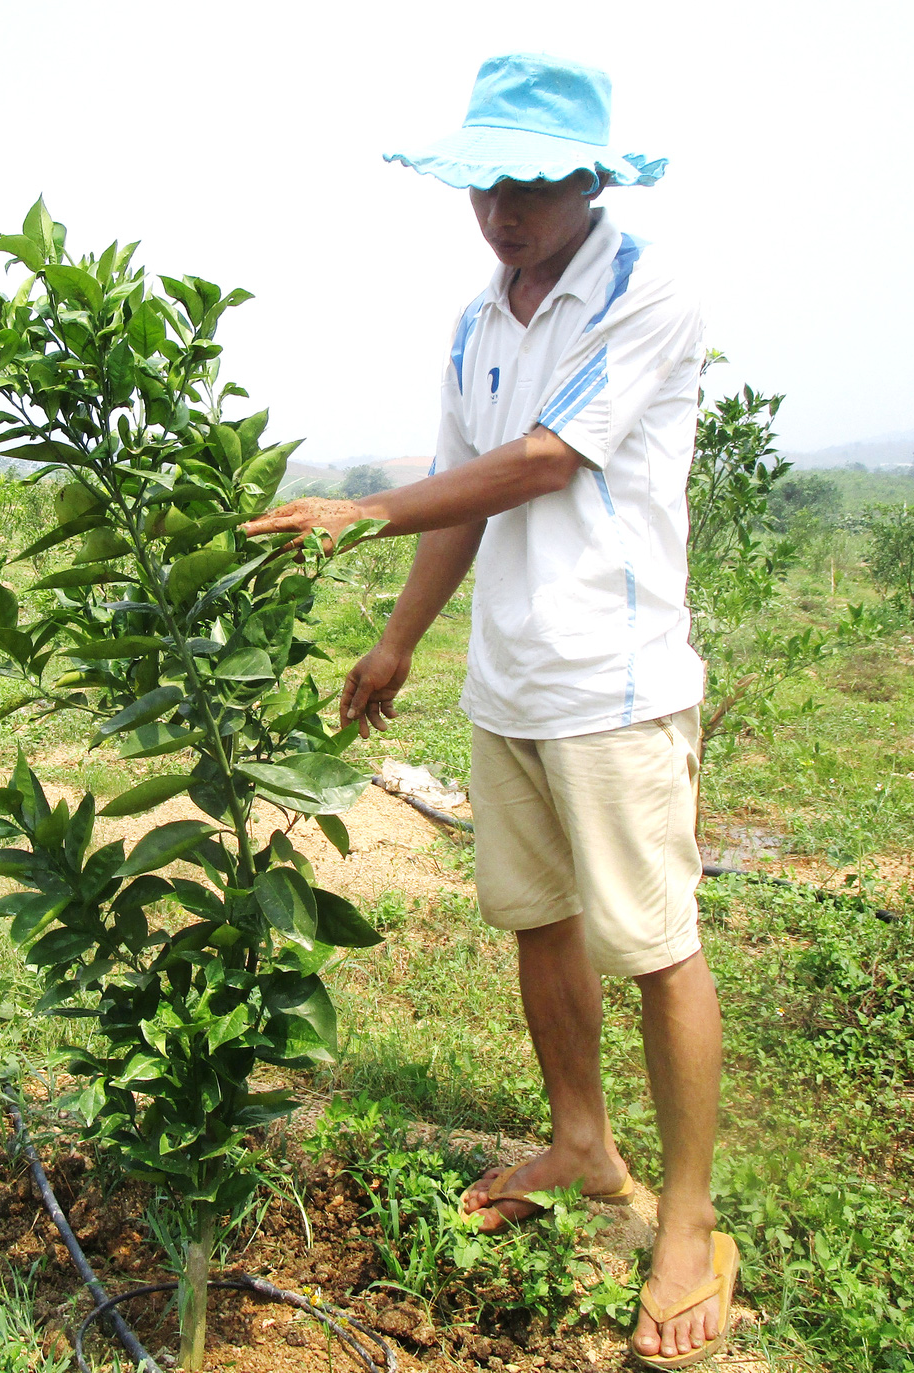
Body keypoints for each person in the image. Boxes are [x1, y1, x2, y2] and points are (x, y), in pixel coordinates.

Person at [244, 53, 733, 1369]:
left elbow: (544, 461)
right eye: (485, 183)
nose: (503, 209)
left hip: (615, 681)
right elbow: (467, 489)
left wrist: (361, 511)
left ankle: (686, 1222)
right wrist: (400, 638)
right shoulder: (477, 321)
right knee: (538, 919)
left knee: (656, 943)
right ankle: (582, 1137)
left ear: (590, 179)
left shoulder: (646, 290)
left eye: (531, 183)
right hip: (509, 679)